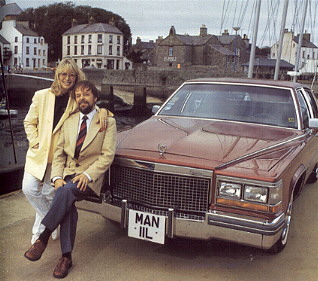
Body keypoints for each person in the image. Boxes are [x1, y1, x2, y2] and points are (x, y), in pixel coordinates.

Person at [24, 80, 117, 279]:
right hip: (67, 176)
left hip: (89, 178)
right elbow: (59, 154)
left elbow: (107, 156)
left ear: (95, 97)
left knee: (65, 192)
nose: (82, 98)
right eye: (78, 95)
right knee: (67, 199)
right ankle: (66, 257)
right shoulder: (69, 121)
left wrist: (88, 174)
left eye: (86, 94)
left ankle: (43, 237)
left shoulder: (107, 121)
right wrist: (56, 177)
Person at [22, 57, 110, 245]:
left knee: (49, 192)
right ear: (57, 75)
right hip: (39, 153)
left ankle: (40, 231)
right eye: (63, 74)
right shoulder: (41, 95)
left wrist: (104, 111)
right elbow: (29, 122)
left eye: (72, 75)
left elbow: (91, 106)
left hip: (59, 157)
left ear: (77, 77)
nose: (67, 79)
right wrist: (35, 142)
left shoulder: (75, 98)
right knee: (28, 189)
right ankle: (51, 222)